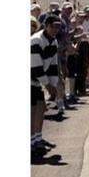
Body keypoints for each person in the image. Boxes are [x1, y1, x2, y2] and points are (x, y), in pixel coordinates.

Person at [31, 16, 63, 157]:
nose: (55, 29)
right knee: (32, 111)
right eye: (53, 26)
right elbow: (36, 67)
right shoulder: (36, 41)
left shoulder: (53, 42)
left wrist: (53, 84)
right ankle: (32, 143)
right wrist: (48, 85)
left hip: (36, 81)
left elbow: (53, 65)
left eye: (58, 26)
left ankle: (37, 139)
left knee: (40, 109)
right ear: (46, 26)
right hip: (31, 79)